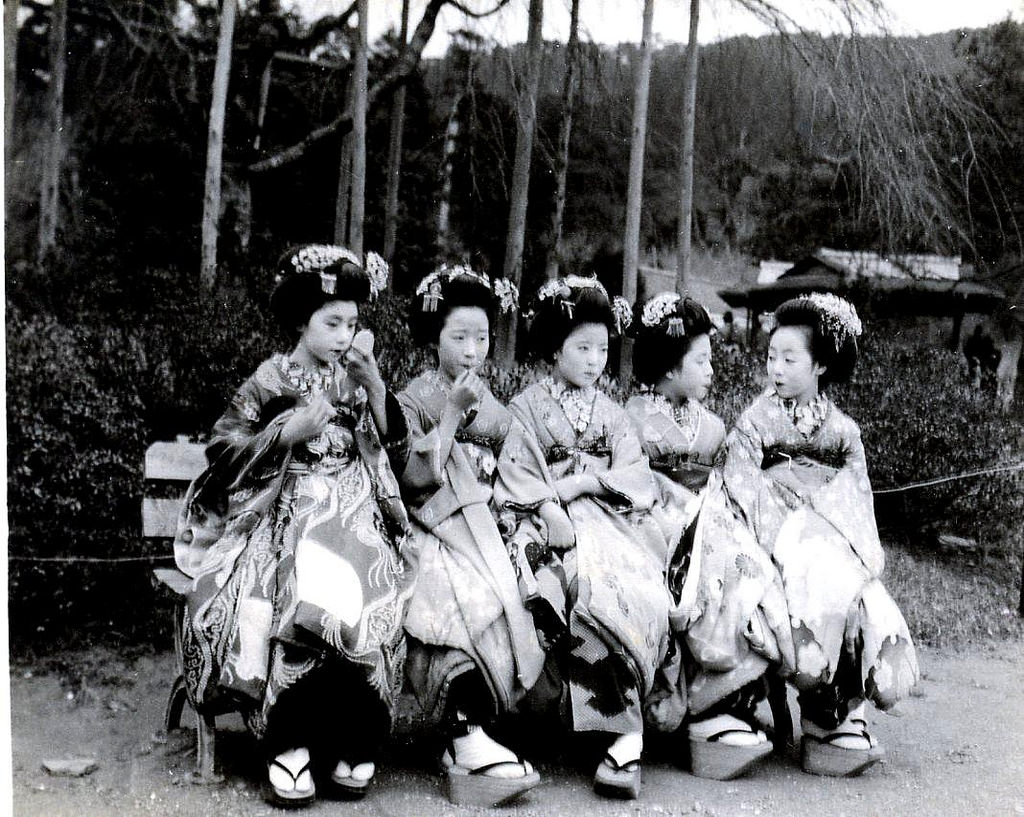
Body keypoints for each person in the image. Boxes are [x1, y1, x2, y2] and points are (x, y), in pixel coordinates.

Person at [172, 244, 414, 807]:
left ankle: (354, 737)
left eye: (352, 324)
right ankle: (290, 740)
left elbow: (394, 452)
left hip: (354, 506)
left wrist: (376, 388)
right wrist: (288, 431)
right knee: (297, 593)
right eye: (332, 323)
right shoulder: (268, 377)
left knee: (372, 588)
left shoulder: (357, 375)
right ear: (300, 320)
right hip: (282, 509)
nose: (343, 336)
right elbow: (223, 449)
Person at [723, 293, 919, 777]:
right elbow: (742, 487)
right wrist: (790, 520)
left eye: (791, 359)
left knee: (855, 592)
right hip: (778, 537)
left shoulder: (844, 432)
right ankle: (790, 708)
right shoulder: (754, 423)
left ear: (820, 367)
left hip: (830, 535)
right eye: (772, 357)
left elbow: (857, 499)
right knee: (804, 581)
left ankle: (836, 714)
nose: (777, 368)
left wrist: (821, 511)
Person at [493, 276, 672, 800]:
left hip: (609, 519)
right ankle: (546, 721)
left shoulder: (614, 414)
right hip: (542, 518)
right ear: (554, 348)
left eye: (603, 349)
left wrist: (587, 481)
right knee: (547, 583)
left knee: (619, 586)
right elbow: (516, 472)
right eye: (582, 348)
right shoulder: (525, 407)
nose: (596, 360)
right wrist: (551, 504)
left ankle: (619, 730)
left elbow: (636, 477)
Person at [397, 264, 544, 807]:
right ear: (433, 336)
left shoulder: (492, 401)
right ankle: (463, 734)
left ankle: (496, 726)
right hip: (435, 525)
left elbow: (518, 464)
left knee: (534, 578)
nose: (471, 349)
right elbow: (411, 479)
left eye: (481, 338)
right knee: (462, 591)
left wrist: (518, 508)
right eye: (459, 337)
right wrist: (453, 416)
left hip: (488, 522)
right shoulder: (412, 399)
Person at [626, 292, 785, 780]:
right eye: (702, 360)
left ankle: (725, 701)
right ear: (671, 368)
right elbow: (630, 482)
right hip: (649, 521)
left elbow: (723, 485)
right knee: (693, 578)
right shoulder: (629, 419)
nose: (712, 369)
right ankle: (692, 709)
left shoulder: (712, 426)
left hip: (705, 518)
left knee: (744, 570)